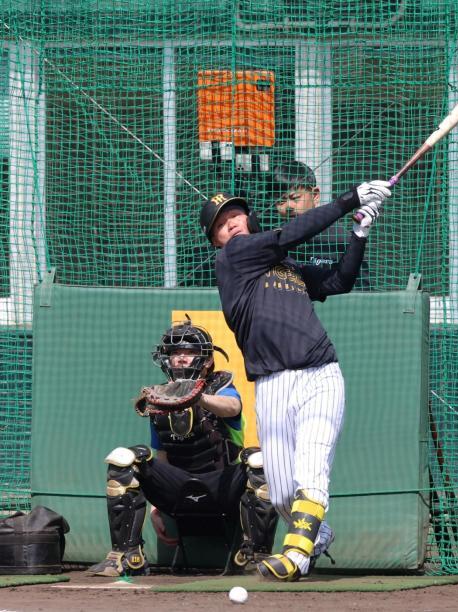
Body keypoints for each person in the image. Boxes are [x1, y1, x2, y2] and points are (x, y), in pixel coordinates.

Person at [198, 179, 390, 581]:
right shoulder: (234, 258)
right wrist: (350, 199)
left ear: (247, 218)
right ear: (216, 239)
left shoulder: (284, 267)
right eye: (221, 222)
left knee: (311, 470)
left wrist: (359, 233)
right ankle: (317, 535)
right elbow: (289, 233)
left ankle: (295, 558)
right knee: (284, 493)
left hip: (320, 373)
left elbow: (340, 281)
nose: (231, 223)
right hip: (271, 385)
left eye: (235, 214)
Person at [88, 318, 278, 577]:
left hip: (221, 485)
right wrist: (157, 509)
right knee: (124, 459)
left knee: (259, 461)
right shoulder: (159, 397)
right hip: (178, 487)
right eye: (175, 353)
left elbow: (232, 407)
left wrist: (198, 397)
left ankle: (255, 557)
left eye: (188, 353)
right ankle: (125, 555)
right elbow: (162, 456)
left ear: (207, 361)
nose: (180, 359)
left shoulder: (222, 386)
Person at [271, 160, 372, 290]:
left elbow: (362, 291)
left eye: (295, 198)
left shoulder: (342, 240)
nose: (288, 206)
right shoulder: (273, 241)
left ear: (315, 195)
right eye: (280, 201)